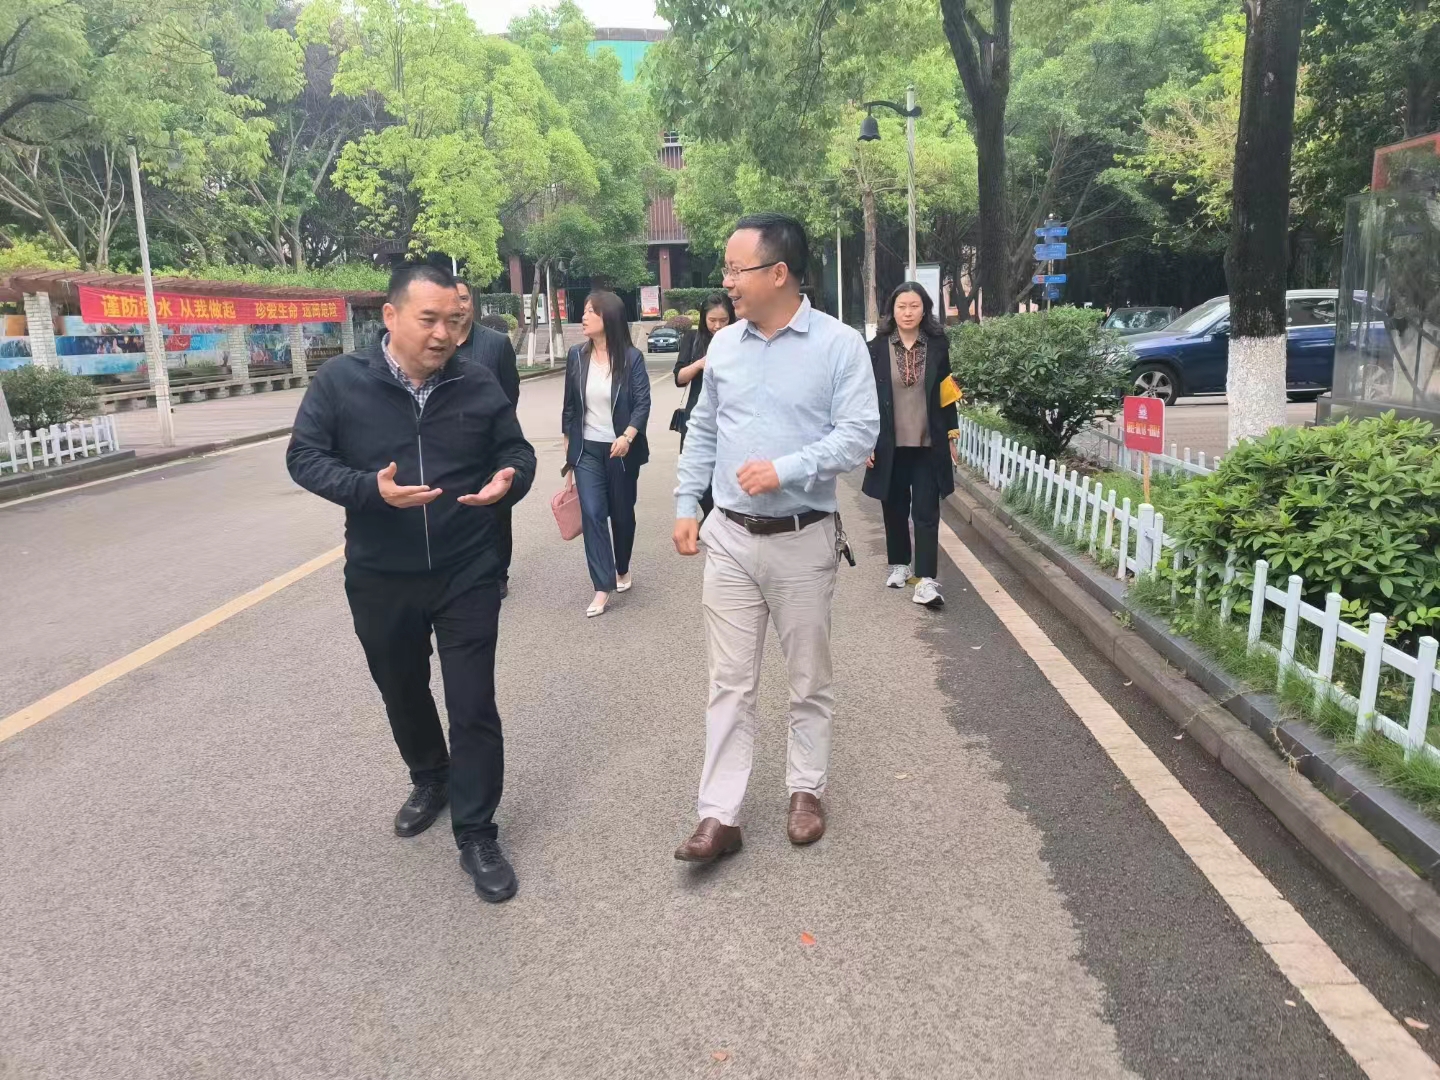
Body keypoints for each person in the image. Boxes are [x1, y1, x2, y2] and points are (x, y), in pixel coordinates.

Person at [286, 263, 536, 904]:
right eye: (429, 320)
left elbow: (517, 451)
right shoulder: (342, 382)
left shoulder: (476, 382)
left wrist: (510, 479)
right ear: (391, 317)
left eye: (454, 320)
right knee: (400, 687)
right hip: (380, 573)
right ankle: (430, 774)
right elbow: (304, 457)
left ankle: (476, 831)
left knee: (472, 702)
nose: (443, 334)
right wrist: (368, 489)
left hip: (466, 568)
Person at [672, 213, 879, 863]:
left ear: (780, 272)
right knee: (729, 682)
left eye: (737, 269)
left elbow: (859, 436)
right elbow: (704, 428)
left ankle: (805, 790)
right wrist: (686, 502)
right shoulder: (725, 347)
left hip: (801, 537)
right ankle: (719, 814)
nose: (728, 281)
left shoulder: (839, 346)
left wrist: (785, 469)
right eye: (728, 270)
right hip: (730, 537)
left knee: (807, 676)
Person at [863, 282, 959, 610]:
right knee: (894, 507)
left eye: (914, 306)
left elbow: (947, 392)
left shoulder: (938, 345)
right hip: (889, 443)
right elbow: (866, 398)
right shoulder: (876, 347)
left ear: (924, 309)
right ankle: (900, 564)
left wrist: (951, 434)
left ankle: (926, 579)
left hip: (927, 442)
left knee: (926, 511)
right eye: (901, 306)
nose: (907, 312)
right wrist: (867, 441)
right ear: (892, 310)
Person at [561, 290, 651, 618]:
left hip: (620, 450)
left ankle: (622, 565)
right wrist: (570, 455)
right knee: (593, 512)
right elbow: (570, 407)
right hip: (587, 449)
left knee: (622, 516)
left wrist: (628, 436)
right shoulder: (576, 355)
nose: (583, 317)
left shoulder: (631, 358)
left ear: (608, 318)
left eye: (590, 312)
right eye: (584, 311)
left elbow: (642, 403)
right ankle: (602, 585)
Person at [454, 278, 522, 598]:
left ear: (473, 302)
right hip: (446, 449)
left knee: (496, 512)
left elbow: (510, 392)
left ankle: (498, 573)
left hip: (490, 447)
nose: (458, 305)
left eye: (463, 298)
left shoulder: (495, 344)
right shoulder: (432, 343)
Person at [671, 292, 735, 519]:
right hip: (696, 417)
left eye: (723, 320)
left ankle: (717, 520)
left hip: (729, 417)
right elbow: (679, 378)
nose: (717, 326)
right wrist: (699, 363)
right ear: (703, 318)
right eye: (712, 320)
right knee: (697, 474)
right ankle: (711, 517)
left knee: (725, 473)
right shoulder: (692, 338)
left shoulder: (738, 340)